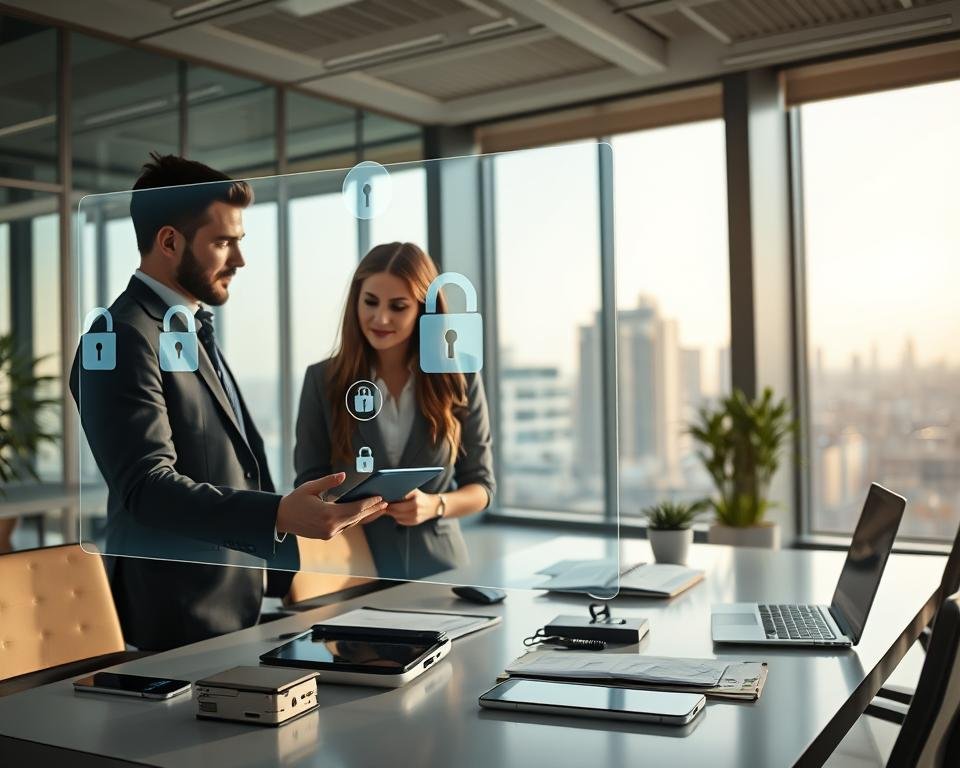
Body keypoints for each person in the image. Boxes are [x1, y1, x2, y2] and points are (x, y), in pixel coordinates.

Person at [70, 154, 387, 651]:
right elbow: (147, 488)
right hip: (178, 617)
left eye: (239, 242)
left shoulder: (188, 329)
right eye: (223, 242)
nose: (239, 260)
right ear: (170, 242)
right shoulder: (121, 338)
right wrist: (277, 515)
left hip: (238, 608)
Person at [294, 242, 495, 580]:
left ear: (422, 310)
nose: (381, 318)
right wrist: (344, 508)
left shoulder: (459, 379)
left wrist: (434, 506)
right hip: (352, 569)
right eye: (370, 302)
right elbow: (308, 484)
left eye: (398, 307)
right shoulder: (322, 380)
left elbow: (482, 488)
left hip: (441, 572)